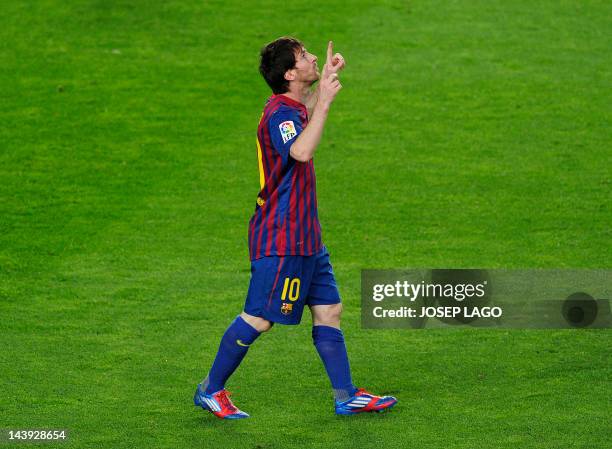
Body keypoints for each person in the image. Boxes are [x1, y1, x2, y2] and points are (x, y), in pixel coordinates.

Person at [194, 37, 397, 419]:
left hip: (306, 236)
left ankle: (346, 395)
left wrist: (324, 83)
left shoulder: (291, 105)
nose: (313, 56)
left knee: (330, 309)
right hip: (281, 236)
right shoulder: (279, 115)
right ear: (289, 73)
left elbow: (304, 113)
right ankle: (210, 390)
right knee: (260, 317)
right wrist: (325, 101)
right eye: (305, 56)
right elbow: (301, 151)